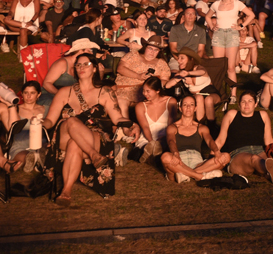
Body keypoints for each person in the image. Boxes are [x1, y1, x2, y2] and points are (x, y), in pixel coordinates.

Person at [43, 52, 124, 206]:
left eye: (86, 64)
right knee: (72, 121)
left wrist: (131, 125)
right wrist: (40, 124)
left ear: (94, 68)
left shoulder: (105, 92)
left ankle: (66, 191)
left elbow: (117, 118)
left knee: (75, 143)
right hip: (66, 134)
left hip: (92, 135)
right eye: (78, 65)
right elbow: (50, 120)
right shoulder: (64, 92)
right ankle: (93, 155)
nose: (81, 67)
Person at [214, 91, 273, 184]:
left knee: (267, 160)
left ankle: (271, 172)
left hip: (260, 150)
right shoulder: (231, 114)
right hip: (238, 154)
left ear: (256, 104)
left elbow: (269, 140)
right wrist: (210, 158)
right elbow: (220, 139)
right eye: (243, 101)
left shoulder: (263, 115)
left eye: (250, 101)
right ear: (239, 104)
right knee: (254, 159)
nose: (246, 104)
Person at [160, 93, 230, 182]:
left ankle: (187, 174)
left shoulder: (202, 127)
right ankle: (200, 176)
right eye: (185, 105)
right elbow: (171, 141)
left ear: (195, 108)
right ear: (180, 108)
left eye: (191, 105)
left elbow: (209, 141)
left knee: (226, 156)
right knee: (165, 157)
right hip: (180, 161)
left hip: (198, 163)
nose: (188, 107)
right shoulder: (172, 127)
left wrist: (217, 152)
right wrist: (175, 154)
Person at [206, 0, 251, 104]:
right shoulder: (216, 4)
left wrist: (241, 26)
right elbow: (207, 16)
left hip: (232, 34)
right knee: (219, 66)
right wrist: (211, 26)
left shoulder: (237, 3)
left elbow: (251, 15)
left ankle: (233, 95)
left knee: (231, 67)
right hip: (219, 34)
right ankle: (218, 92)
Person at [112, 34, 171, 117]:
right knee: (121, 101)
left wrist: (152, 81)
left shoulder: (162, 63)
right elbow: (120, 69)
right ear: (145, 47)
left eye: (156, 50)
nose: (152, 52)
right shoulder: (133, 55)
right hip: (125, 89)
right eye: (150, 48)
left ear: (159, 52)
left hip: (147, 92)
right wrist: (138, 76)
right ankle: (125, 127)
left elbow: (165, 81)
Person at [132, 78, 178, 162]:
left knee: (164, 150)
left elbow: (171, 124)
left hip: (165, 136)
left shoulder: (171, 101)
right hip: (147, 137)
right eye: (143, 90)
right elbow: (145, 127)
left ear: (157, 90)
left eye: (148, 91)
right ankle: (148, 153)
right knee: (146, 149)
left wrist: (163, 139)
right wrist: (152, 142)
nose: (145, 94)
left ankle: (152, 156)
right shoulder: (140, 106)